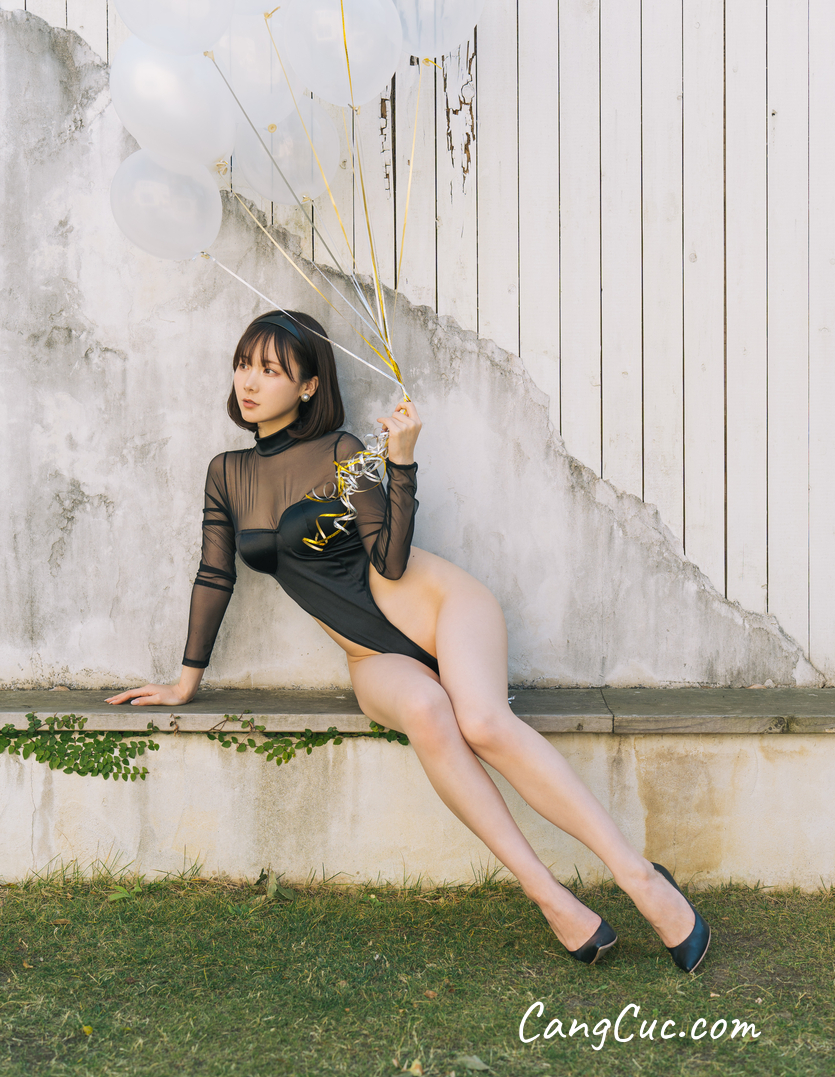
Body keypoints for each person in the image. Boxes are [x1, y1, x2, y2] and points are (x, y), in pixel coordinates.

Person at [108, 309, 710, 971]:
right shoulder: (227, 472)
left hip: (442, 607)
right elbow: (214, 574)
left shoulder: (342, 453)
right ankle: (549, 897)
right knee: (426, 710)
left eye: (271, 370)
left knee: (482, 722)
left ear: (308, 386)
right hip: (372, 654)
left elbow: (390, 562)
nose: (250, 382)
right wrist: (185, 680)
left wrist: (400, 463)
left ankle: (638, 876)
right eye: (244, 365)